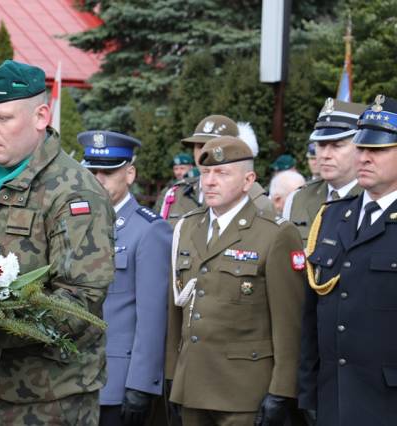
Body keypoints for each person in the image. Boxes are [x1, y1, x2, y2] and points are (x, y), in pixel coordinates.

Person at [0, 60, 115, 425]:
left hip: (51, 397)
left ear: (41, 116)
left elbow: (79, 302)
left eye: (2, 118)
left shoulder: (74, 192)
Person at [166, 136, 306, 426]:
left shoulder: (275, 234)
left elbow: (289, 323)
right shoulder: (188, 226)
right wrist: (172, 377)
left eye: (222, 173)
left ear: (248, 180)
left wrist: (281, 391)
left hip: (244, 391)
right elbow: (176, 312)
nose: (210, 182)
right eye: (206, 173)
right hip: (191, 385)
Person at [298, 95, 397, 426]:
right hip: (333, 397)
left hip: (386, 401)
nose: (365, 158)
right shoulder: (333, 216)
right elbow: (313, 315)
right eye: (362, 148)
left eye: (379, 150)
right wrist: (308, 390)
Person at [78, 130, 172, 426]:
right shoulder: (75, 223)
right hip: (71, 380)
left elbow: (152, 318)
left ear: (129, 174)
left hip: (116, 382)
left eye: (108, 171)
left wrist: (141, 385)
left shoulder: (148, 230)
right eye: (91, 170)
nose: (98, 179)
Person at [159, 115, 273, 225]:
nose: (205, 152)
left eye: (214, 146)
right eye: (199, 146)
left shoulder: (258, 201)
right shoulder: (177, 193)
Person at [283, 98, 366, 244]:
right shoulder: (298, 198)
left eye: (337, 145)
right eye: (321, 145)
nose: (325, 155)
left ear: (361, 147)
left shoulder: (374, 198)